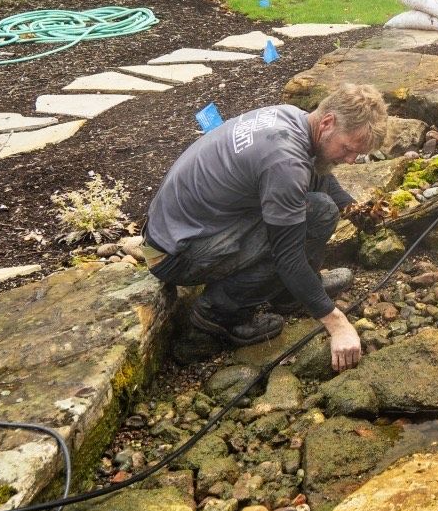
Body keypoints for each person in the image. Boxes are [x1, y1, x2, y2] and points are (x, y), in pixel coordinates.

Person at [140, 82, 387, 370]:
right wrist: (337, 323)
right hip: (176, 254)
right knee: (315, 215)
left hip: (185, 227)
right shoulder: (283, 160)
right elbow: (288, 258)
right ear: (329, 122)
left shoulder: (292, 118)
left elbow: (318, 169)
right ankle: (215, 319)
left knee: (319, 208)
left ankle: (288, 295)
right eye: (347, 149)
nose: (350, 159)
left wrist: (353, 208)